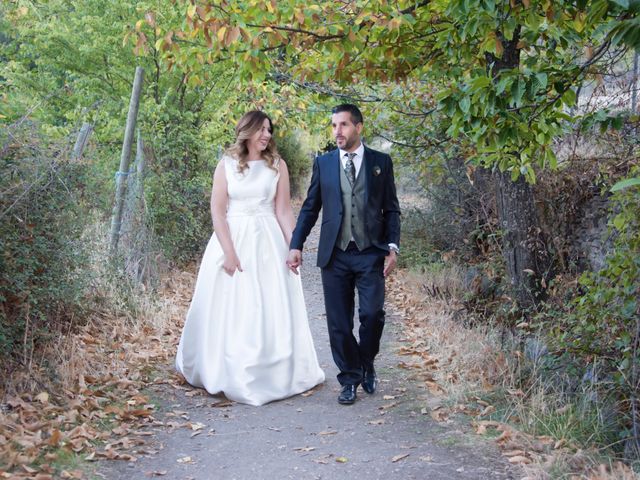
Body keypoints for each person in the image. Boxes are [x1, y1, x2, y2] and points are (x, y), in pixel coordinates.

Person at [176, 110, 325, 406]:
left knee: (270, 302)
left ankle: (273, 372)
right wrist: (229, 252)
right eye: (261, 130)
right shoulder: (226, 165)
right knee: (234, 304)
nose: (267, 135)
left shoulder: (277, 165)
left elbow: (282, 211)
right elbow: (218, 211)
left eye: (269, 130)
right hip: (233, 239)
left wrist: (294, 245)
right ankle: (227, 368)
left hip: (268, 241)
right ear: (247, 131)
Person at [287, 104, 401, 405]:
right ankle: (350, 378)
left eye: (344, 125)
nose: (337, 131)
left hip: (370, 252)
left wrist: (393, 246)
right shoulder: (323, 163)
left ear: (358, 128)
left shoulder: (381, 162)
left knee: (372, 315)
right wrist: (296, 244)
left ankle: (367, 362)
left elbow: (391, 209)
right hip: (335, 255)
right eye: (334, 125)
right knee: (339, 323)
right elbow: (311, 207)